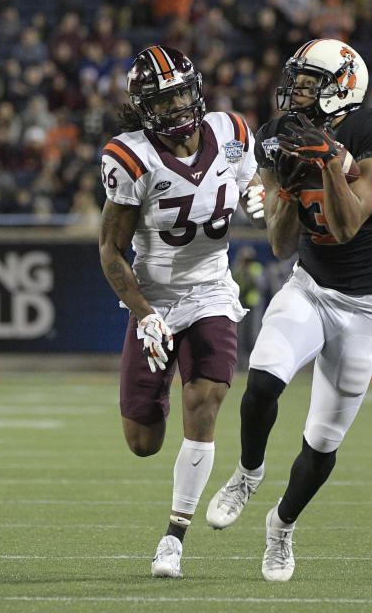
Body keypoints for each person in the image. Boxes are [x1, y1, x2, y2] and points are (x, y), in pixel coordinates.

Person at [205, 39, 372, 582]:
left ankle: (282, 527)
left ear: (342, 85)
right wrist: (289, 190)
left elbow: (346, 226)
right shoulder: (275, 136)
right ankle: (248, 472)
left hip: (366, 307)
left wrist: (330, 165)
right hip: (310, 287)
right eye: (295, 79)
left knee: (322, 442)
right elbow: (280, 243)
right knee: (263, 382)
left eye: (308, 82)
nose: (295, 90)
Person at [96, 45, 266, 579]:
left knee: (208, 398)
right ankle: (159, 389)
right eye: (164, 100)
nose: (178, 107)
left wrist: (261, 197)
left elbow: (250, 185)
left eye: (182, 94)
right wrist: (144, 313)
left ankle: (174, 537)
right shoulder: (131, 157)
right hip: (156, 296)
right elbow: (110, 250)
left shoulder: (234, 132)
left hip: (212, 288)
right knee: (143, 442)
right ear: (145, 108)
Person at [232, 245, 266, 371]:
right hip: (241, 307)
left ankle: (254, 365)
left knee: (253, 336)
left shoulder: (256, 269)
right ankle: (240, 365)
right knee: (240, 337)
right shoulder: (237, 270)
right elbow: (235, 286)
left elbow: (261, 285)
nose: (247, 263)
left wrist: (250, 274)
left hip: (254, 307)